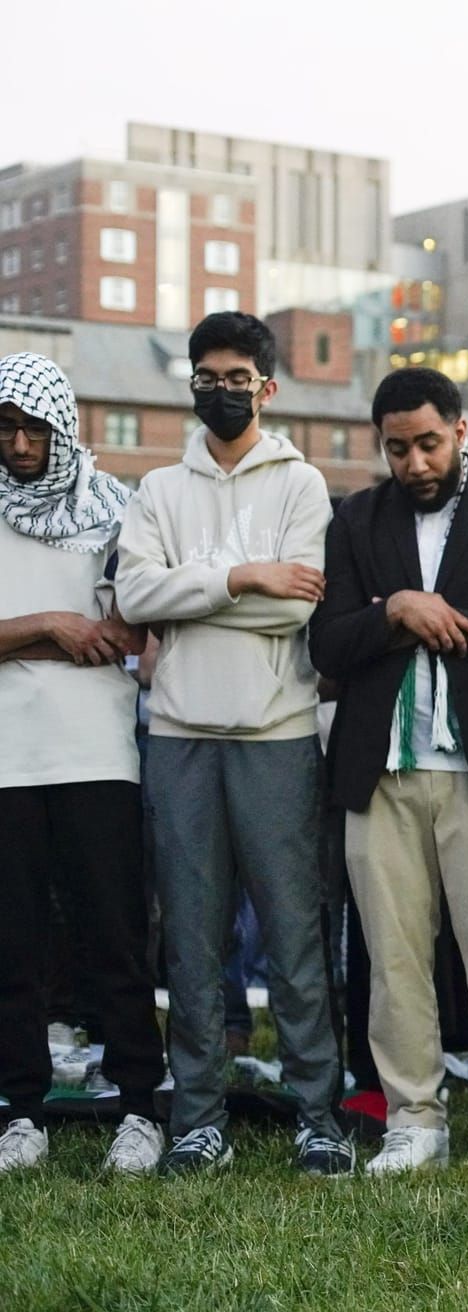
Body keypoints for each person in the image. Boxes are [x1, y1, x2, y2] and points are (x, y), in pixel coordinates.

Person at [114, 311, 350, 1175]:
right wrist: (241, 576)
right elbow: (134, 598)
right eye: (205, 379)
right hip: (179, 735)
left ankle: (318, 1113)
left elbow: (297, 608)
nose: (221, 392)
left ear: (268, 387)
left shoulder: (301, 484)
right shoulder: (156, 490)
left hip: (277, 734)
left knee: (292, 934)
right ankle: (200, 1117)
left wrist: (191, 596)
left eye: (236, 379)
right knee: (191, 938)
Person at [308, 368, 468, 1176]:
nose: (413, 462)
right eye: (397, 448)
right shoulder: (355, 522)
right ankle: (415, 1120)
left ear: (460, 429)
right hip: (378, 772)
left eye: (427, 443)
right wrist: (390, 611)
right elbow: (327, 644)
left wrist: (440, 617)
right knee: (394, 958)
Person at [0, 352, 164, 1176]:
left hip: (99, 753)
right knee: (14, 944)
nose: (21, 443)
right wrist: (50, 628)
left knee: (115, 936)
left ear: (63, 428)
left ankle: (140, 1104)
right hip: (6, 758)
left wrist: (95, 633)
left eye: (35, 428)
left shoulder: (114, 509)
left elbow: (140, 629)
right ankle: (19, 1110)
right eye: (7, 427)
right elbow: (79, 631)